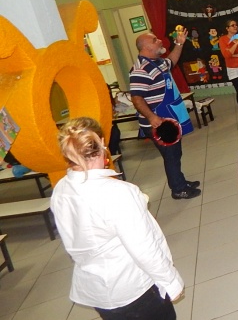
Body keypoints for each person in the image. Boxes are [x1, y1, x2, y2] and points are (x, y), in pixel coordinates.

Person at [51, 117, 184, 319]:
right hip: (135, 290)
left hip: (97, 292)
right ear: (102, 143)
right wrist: (171, 282)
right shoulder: (118, 193)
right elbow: (144, 249)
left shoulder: (61, 189)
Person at [130, 31, 201, 200]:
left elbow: (172, 61)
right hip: (157, 122)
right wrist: (151, 117)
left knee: (175, 153)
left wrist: (179, 44)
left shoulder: (159, 62)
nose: (160, 41)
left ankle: (179, 181)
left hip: (168, 118)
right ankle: (178, 189)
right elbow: (137, 98)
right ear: (146, 47)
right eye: (155, 40)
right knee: (171, 155)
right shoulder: (140, 70)